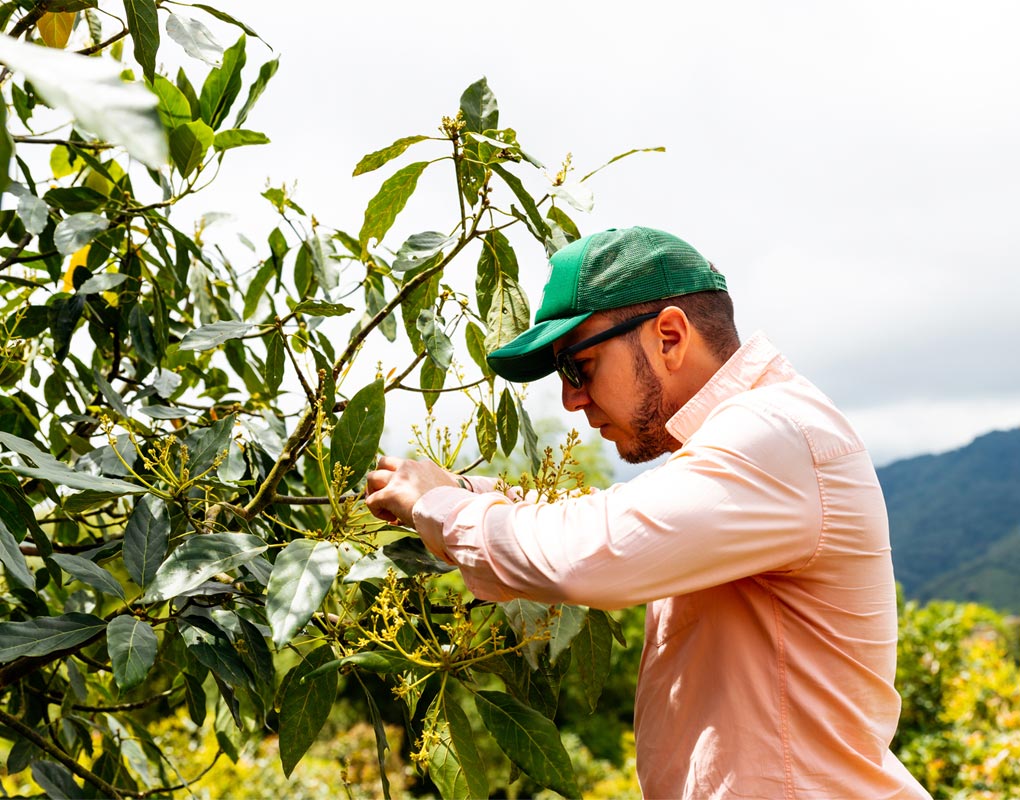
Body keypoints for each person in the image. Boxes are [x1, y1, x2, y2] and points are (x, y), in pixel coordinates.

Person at [365, 226, 930, 799]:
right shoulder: (746, 444)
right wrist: (462, 488)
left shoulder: (773, 432)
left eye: (578, 366)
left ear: (668, 336)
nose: (571, 399)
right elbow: (610, 518)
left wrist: (440, 506)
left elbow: (588, 553)